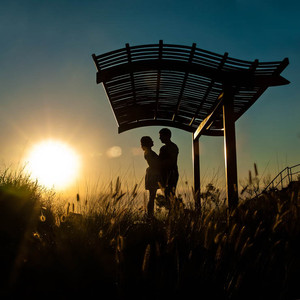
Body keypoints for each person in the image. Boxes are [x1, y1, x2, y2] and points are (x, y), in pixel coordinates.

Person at [140, 136, 161, 218]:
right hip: (152, 175)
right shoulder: (148, 152)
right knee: (152, 196)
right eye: (151, 140)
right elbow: (153, 164)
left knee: (152, 196)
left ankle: (150, 215)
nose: (153, 141)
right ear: (148, 143)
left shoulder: (148, 152)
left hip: (152, 174)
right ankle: (150, 215)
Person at [158, 128, 179, 203]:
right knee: (167, 195)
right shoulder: (163, 148)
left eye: (161, 136)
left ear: (167, 136)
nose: (159, 138)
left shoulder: (173, 147)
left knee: (170, 195)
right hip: (165, 175)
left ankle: (173, 212)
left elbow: (171, 161)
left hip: (171, 174)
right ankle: (171, 212)